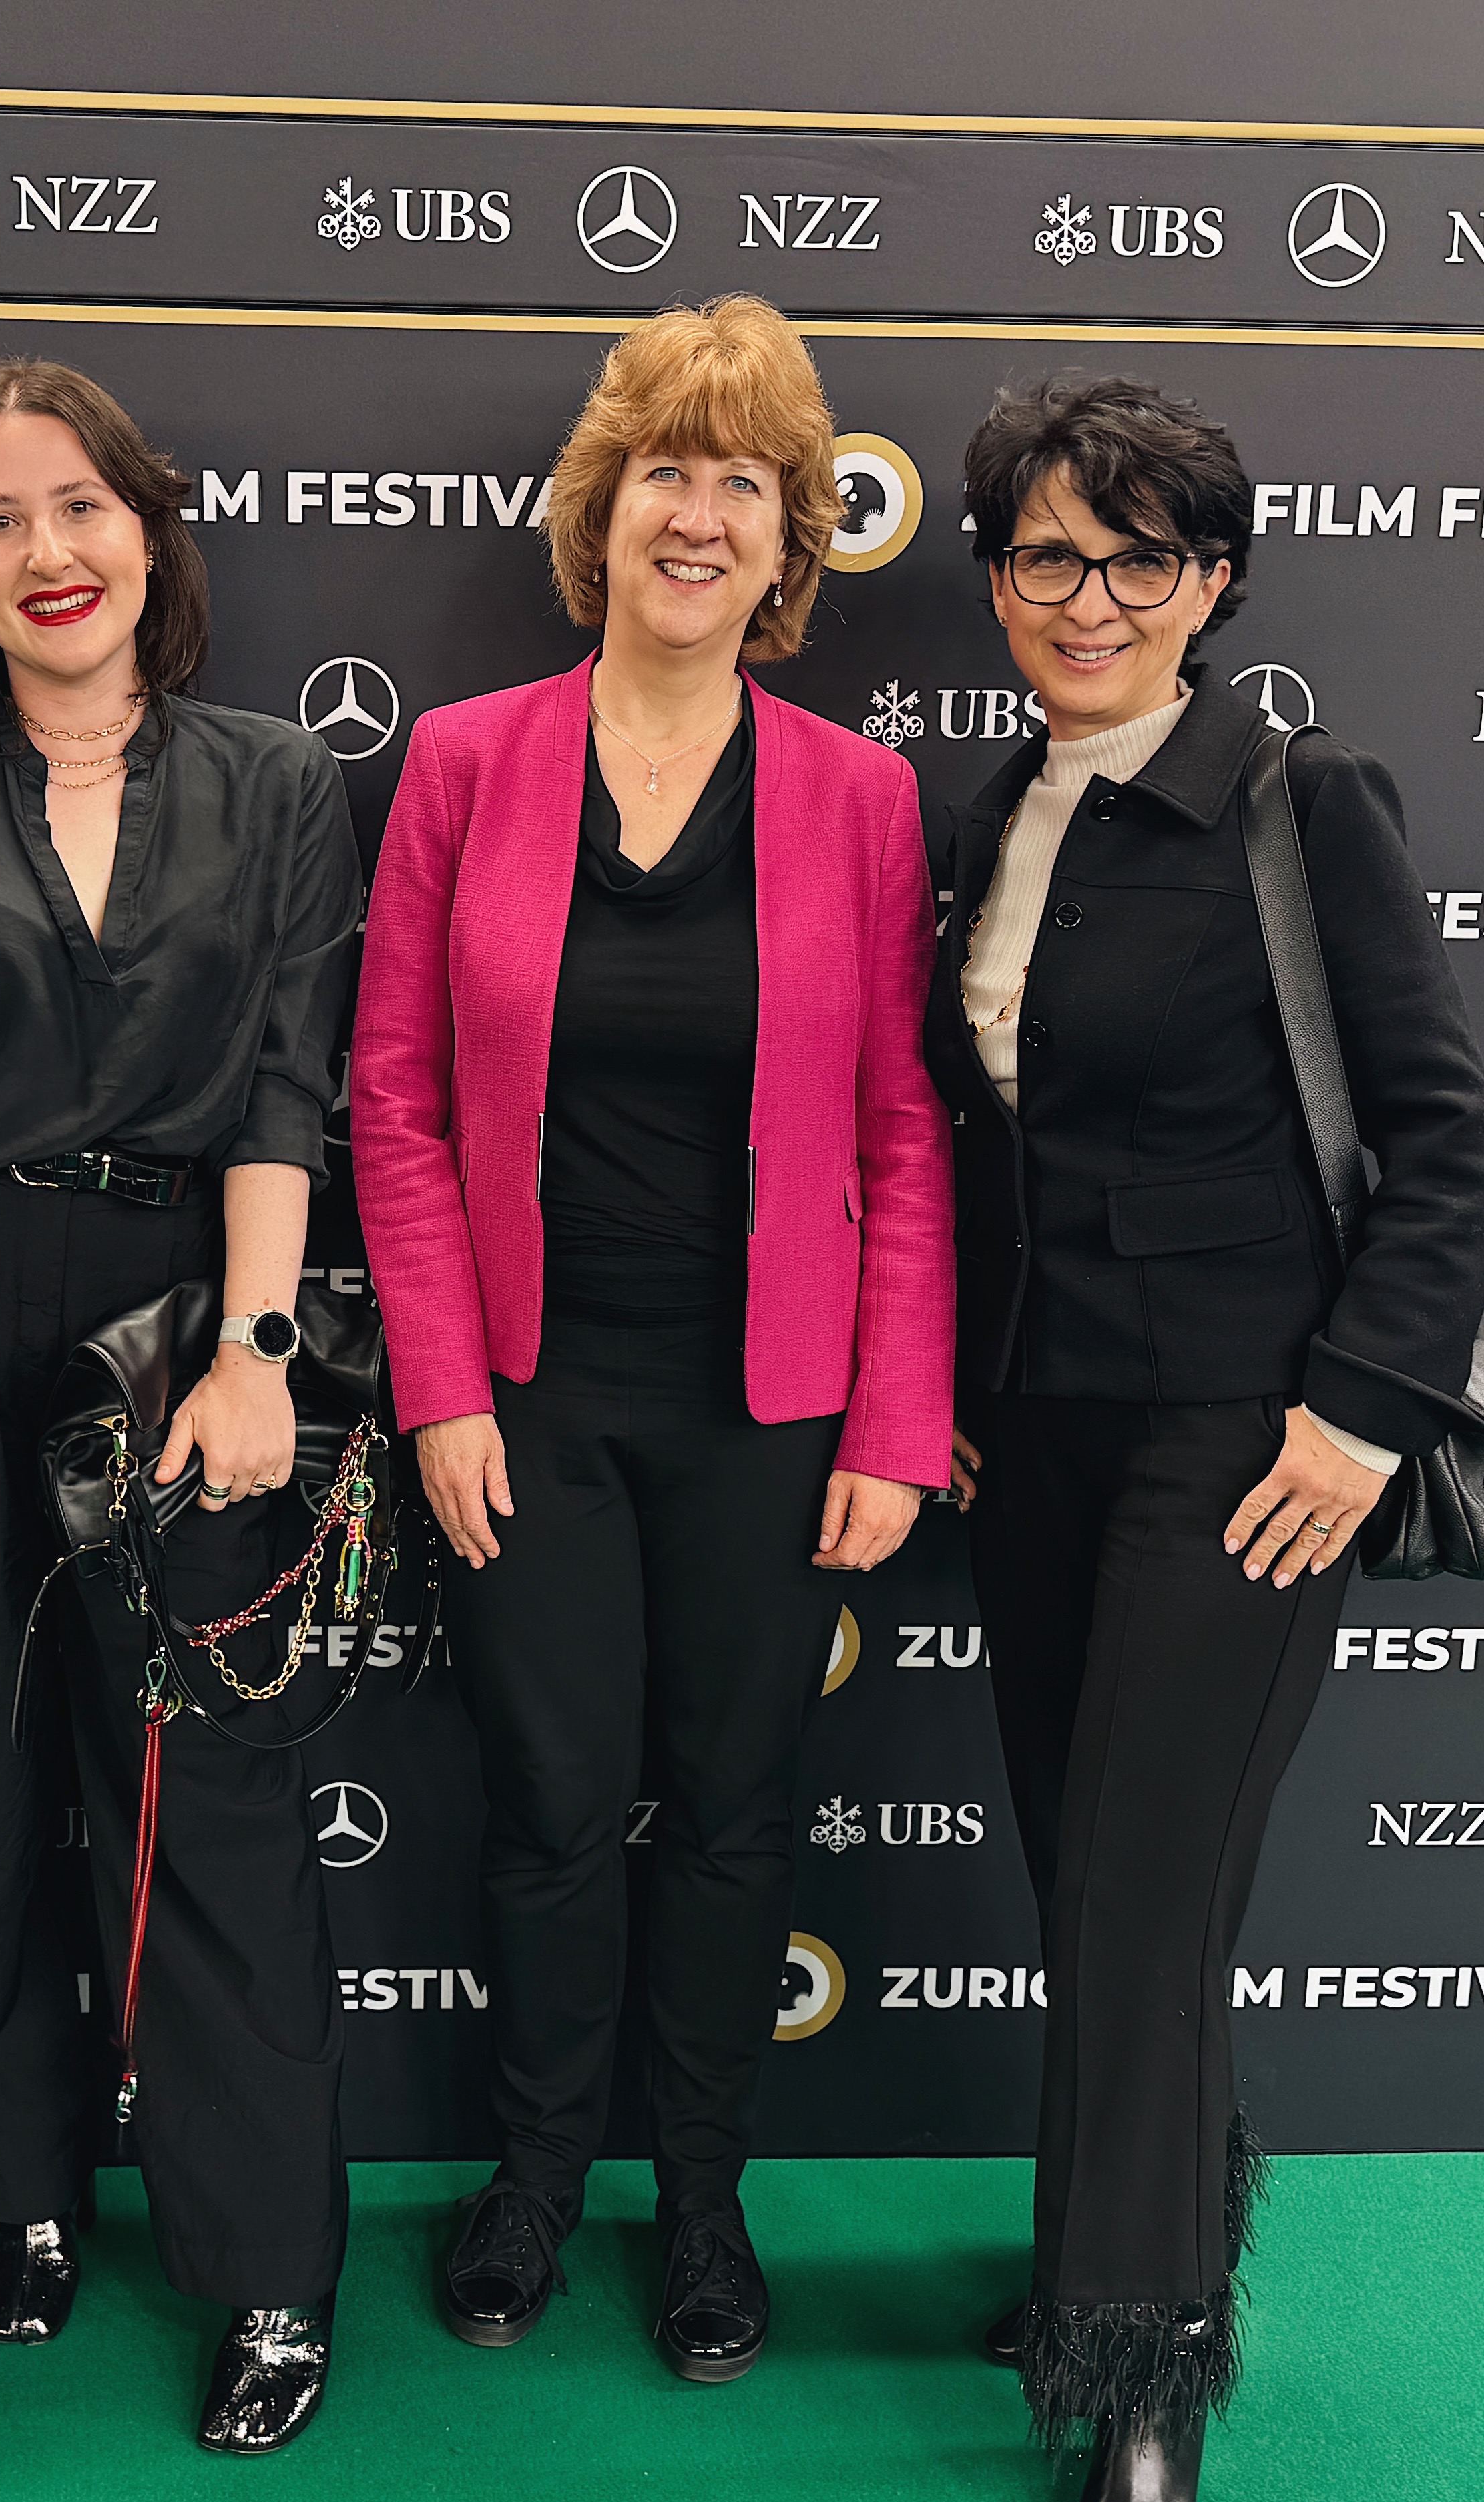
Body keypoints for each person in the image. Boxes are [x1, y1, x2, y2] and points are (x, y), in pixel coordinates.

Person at [929, 374, 1484, 2502]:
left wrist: (1357, 1412)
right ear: (995, 576)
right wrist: (955, 1381)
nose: (1087, 598)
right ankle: (1135, 2239)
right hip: (1035, 1439)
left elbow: (1438, 1140)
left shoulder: (1297, 798)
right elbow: (989, 1143)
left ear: (1214, 581)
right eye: (1045, 555)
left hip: (1248, 1448)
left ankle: (1144, 2371)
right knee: (1095, 1886)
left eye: (1137, 558)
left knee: (1145, 1909)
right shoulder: (995, 807)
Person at [349, 296, 954, 2384]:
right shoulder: (464, 762)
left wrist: (895, 1418)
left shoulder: (861, 797)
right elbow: (396, 1104)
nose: (699, 517)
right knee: (546, 1805)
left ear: (789, 542)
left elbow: (900, 1128)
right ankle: (535, 2181)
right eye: (666, 476)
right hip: (530, 1393)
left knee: (732, 1811)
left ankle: (702, 2200)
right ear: (598, 515)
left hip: (771, 1405)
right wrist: (441, 1385)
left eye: (745, 484)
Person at [0, 356, 364, 2456]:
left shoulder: (281, 783)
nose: (49, 552)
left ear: (148, 529)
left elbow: (288, 1095)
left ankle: (272, 2261)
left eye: (82, 506)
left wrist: (257, 1353)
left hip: (179, 1315)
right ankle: (16, 2186)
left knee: (206, 1805)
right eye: (0, 518)